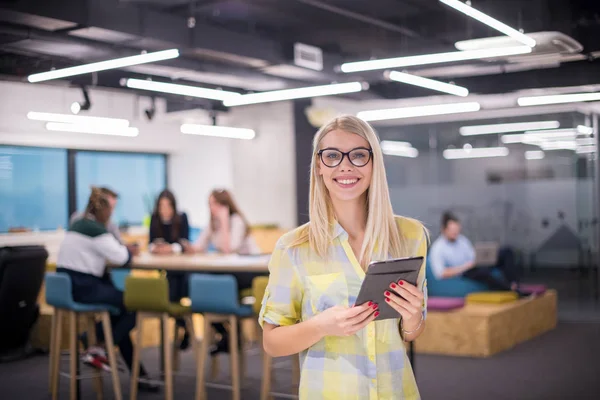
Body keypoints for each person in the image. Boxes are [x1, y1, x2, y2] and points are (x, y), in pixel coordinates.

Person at [259, 115, 428, 400]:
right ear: (319, 167)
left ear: (374, 164)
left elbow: (410, 332)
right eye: (333, 156)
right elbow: (272, 343)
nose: (345, 165)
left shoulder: (411, 236)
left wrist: (413, 317)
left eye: (359, 155)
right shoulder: (293, 248)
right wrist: (322, 325)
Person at [56, 187, 158, 392]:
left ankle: (137, 374)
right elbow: (122, 258)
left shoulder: (77, 224)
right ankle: (96, 344)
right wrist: (127, 251)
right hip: (84, 288)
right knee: (133, 304)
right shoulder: (97, 231)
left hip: (66, 287)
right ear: (104, 212)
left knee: (119, 315)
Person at [194, 189, 262, 355]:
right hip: (229, 273)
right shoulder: (213, 223)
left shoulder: (236, 220)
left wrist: (224, 222)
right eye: (210, 204)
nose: (212, 208)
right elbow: (198, 246)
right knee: (200, 289)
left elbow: (228, 249)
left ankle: (232, 335)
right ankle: (229, 334)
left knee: (213, 287)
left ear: (225, 205)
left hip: (249, 272)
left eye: (215, 204)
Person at [429, 211, 519, 292]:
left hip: (474, 265)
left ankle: (514, 283)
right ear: (444, 230)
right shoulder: (438, 247)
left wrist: (481, 259)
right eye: (452, 230)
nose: (455, 233)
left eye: (457, 230)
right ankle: (509, 289)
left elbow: (472, 256)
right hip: (464, 272)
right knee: (483, 273)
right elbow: (441, 273)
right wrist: (465, 267)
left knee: (506, 252)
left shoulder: (462, 240)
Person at [148, 189, 193, 349]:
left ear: (173, 206)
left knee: (177, 288)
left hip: (182, 268)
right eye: (161, 205)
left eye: (168, 205)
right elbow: (151, 243)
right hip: (167, 270)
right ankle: (186, 325)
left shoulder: (181, 218)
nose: (164, 209)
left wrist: (172, 249)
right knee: (170, 290)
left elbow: (185, 242)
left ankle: (186, 325)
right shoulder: (155, 219)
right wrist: (156, 248)